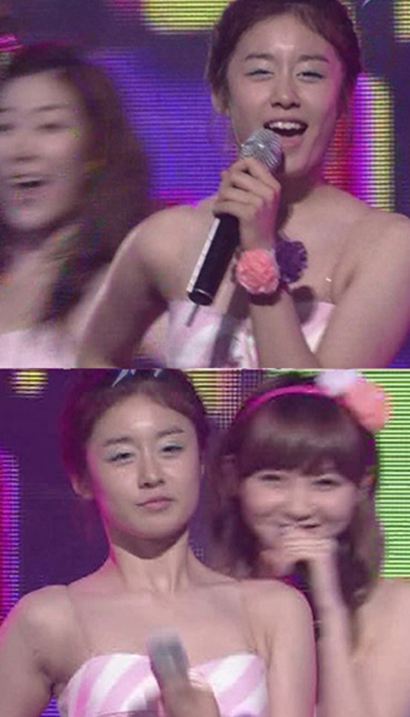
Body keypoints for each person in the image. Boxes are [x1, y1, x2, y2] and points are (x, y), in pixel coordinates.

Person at [79, 0, 410, 369]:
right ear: (221, 93)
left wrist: (260, 254)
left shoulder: (385, 245)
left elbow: (306, 401)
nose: (285, 96)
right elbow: (93, 359)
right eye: (260, 72)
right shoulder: (165, 240)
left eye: (310, 74)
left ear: (344, 97)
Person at [0, 369, 315, 717]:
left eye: (170, 448)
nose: (151, 475)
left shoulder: (274, 611)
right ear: (82, 478)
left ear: (201, 459)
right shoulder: (49, 619)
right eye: (122, 455)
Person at [206, 370, 410, 717]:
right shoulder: (206, 598)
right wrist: (271, 591)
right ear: (232, 477)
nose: (299, 507)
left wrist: (328, 610)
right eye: (273, 479)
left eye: (325, 483)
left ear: (362, 485)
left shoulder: (396, 607)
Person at [0, 42, 159, 367]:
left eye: (49, 126)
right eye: (5, 127)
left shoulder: (119, 289)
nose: (21, 149)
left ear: (95, 151)